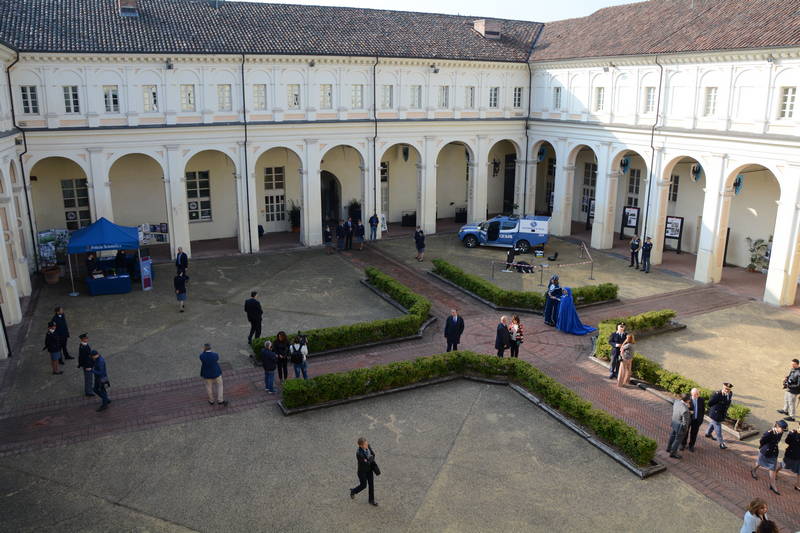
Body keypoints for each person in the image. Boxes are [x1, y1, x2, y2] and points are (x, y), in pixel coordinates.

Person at [751, 420, 788, 495]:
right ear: (777, 427)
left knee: (772, 469)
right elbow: (762, 441)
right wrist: (764, 448)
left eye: (784, 430)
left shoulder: (780, 432)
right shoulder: (769, 433)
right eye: (782, 429)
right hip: (765, 452)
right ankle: (753, 470)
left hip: (773, 453)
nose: (783, 431)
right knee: (759, 462)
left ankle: (772, 484)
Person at [349, 437, 379, 506]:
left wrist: (370, 459)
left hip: (369, 470)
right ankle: (353, 491)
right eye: (365, 444)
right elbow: (366, 463)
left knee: (371, 485)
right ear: (361, 445)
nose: (367, 445)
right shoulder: (359, 454)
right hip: (362, 472)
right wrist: (370, 459)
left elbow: (373, 454)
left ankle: (371, 500)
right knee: (363, 485)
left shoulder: (368, 446)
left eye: (366, 443)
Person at [705, 382, 733, 449]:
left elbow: (727, 403)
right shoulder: (717, 394)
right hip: (716, 414)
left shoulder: (730, 394)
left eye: (728, 389)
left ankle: (708, 433)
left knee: (713, 423)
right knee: (718, 429)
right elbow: (709, 403)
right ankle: (721, 443)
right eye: (726, 389)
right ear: (723, 387)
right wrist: (715, 408)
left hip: (722, 413)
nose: (727, 390)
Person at [667, 393, 692, 459]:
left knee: (672, 436)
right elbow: (685, 422)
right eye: (689, 399)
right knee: (677, 440)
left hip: (674, 423)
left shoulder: (677, 402)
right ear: (687, 400)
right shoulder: (685, 410)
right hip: (680, 427)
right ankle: (673, 453)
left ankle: (668, 448)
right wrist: (685, 430)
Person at [681, 387, 706, 452]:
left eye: (697, 394)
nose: (697, 395)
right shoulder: (687, 399)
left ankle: (691, 446)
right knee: (685, 432)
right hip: (688, 420)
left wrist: (700, 420)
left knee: (694, 434)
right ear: (691, 394)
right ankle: (683, 444)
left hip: (696, 420)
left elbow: (703, 411)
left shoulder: (701, 400)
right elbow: (683, 409)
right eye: (695, 394)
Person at [781, 424, 800, 493]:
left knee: (799, 471)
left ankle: (798, 485)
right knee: (783, 465)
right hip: (791, 454)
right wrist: (792, 434)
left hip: (799, 456)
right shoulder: (793, 433)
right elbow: (787, 441)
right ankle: (775, 472)